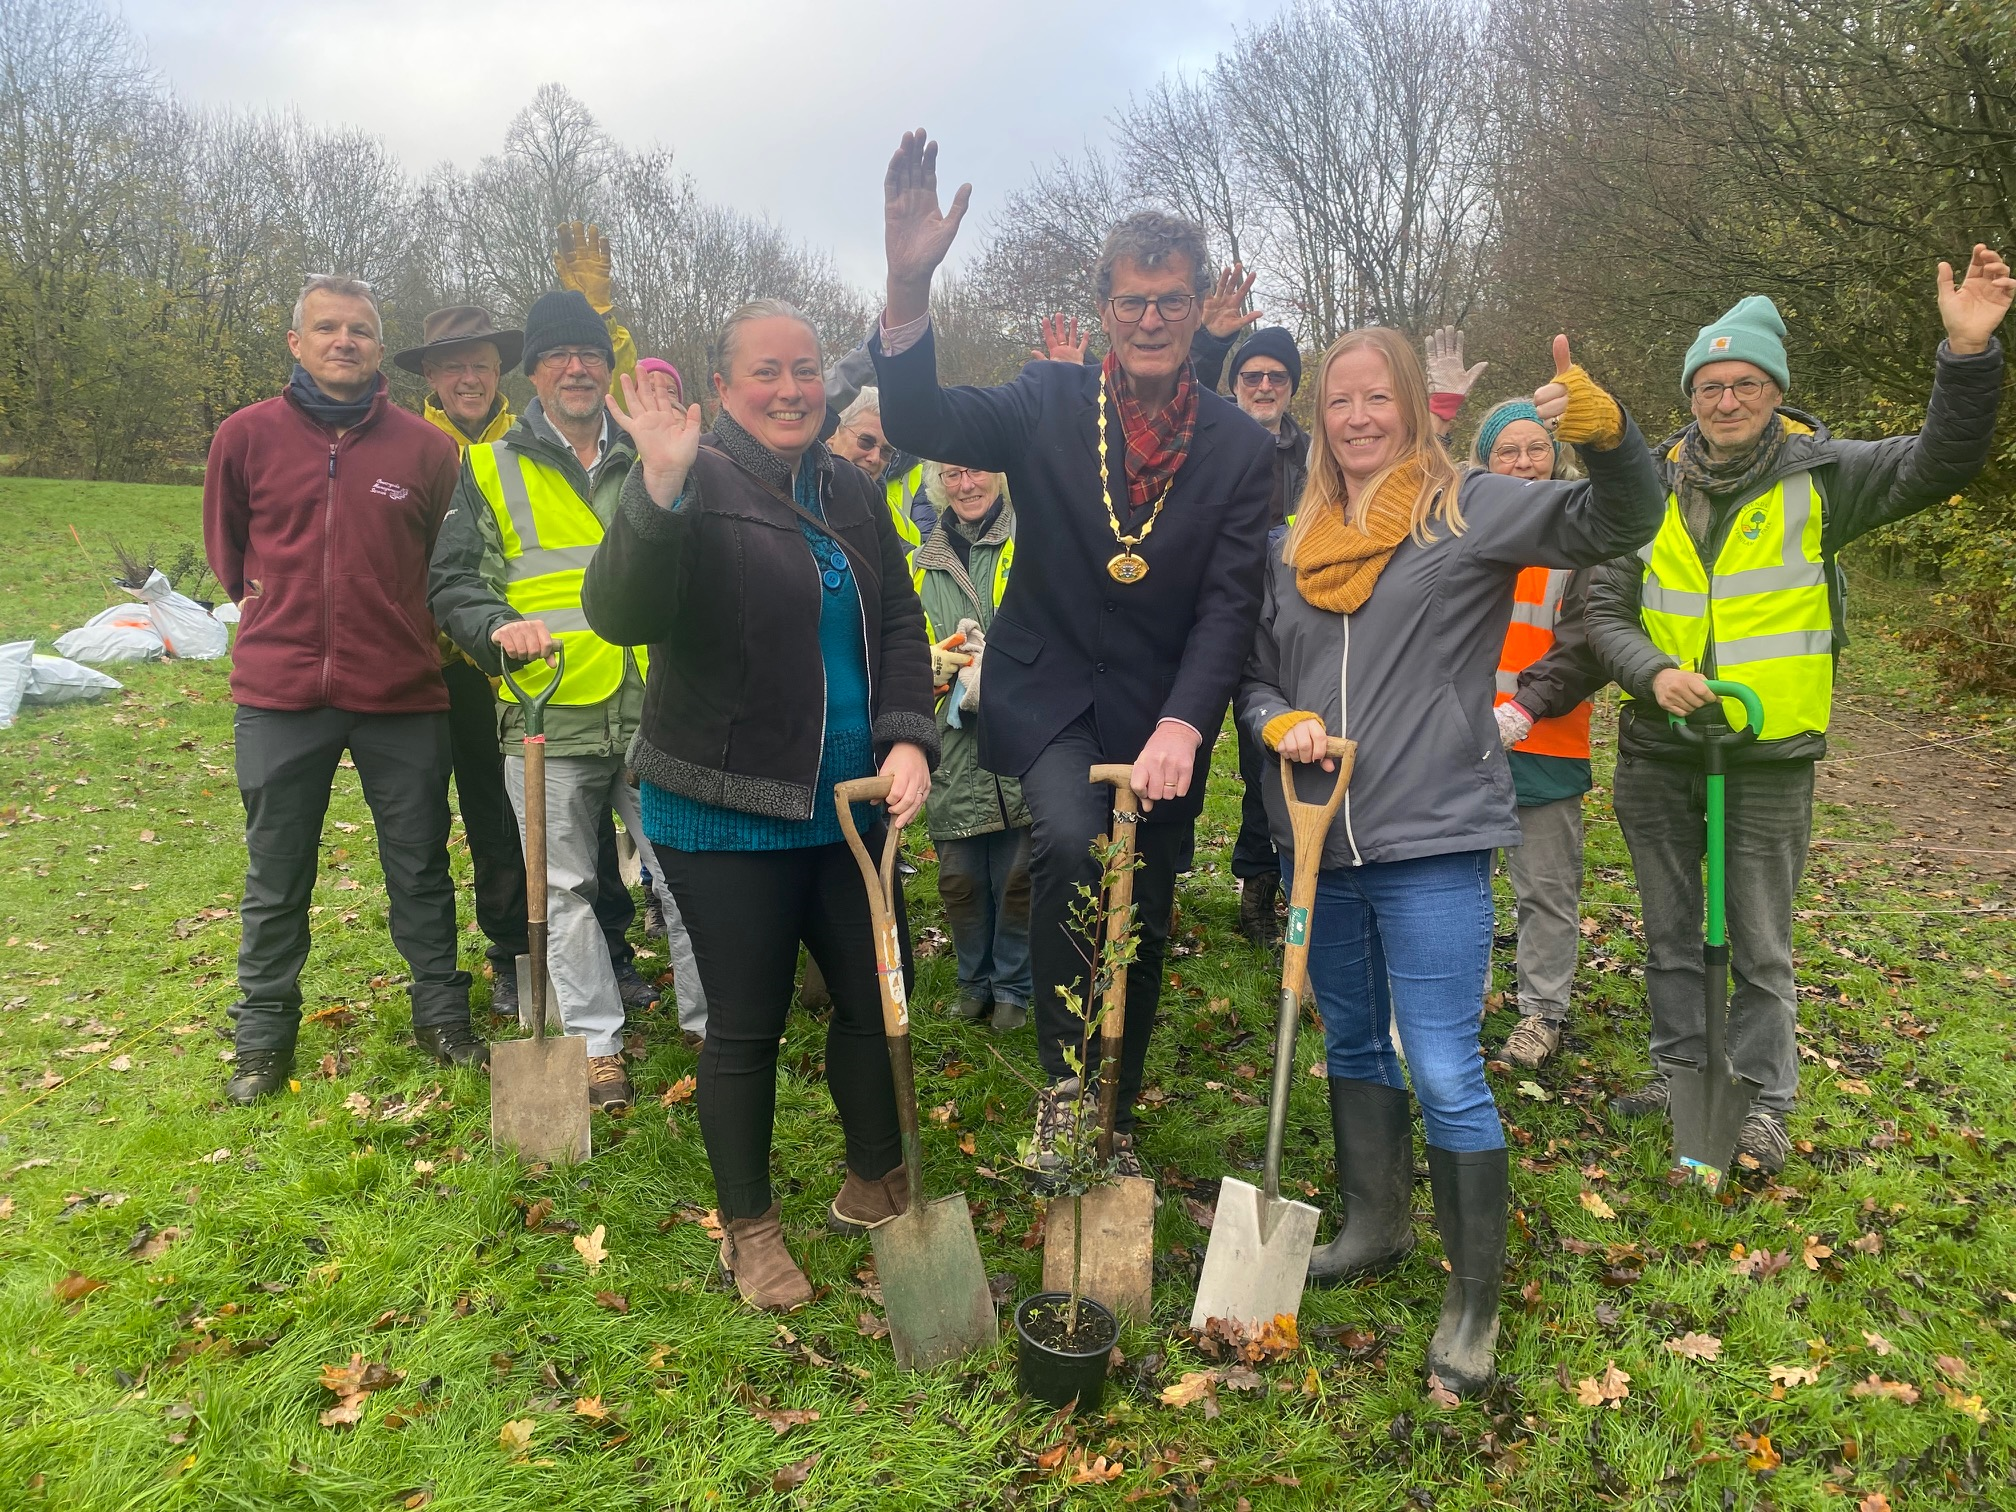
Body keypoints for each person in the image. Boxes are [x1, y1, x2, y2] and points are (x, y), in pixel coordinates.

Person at [1240, 326, 1664, 1396]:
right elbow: (1255, 675)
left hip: (1432, 831)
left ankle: (1473, 1300)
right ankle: (1373, 1223)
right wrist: (1280, 717)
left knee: (1441, 1061)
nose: (1357, 417)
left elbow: (1622, 518)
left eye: (1375, 396)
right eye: (1339, 401)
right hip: (1320, 838)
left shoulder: (1467, 504)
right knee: (1352, 1043)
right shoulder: (1296, 538)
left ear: (1410, 404)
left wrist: (1607, 436)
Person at [870, 131, 1274, 1180]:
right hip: (1047, 689)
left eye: (1172, 301)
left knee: (1143, 890)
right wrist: (909, 288)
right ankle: (1062, 1086)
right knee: (1069, 839)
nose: (1151, 319)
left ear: (1195, 312)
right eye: (1133, 300)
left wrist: (1188, 722)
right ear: (1103, 307)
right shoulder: (1049, 402)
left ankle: (1115, 1104)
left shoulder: (1235, 443)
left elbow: (1230, 605)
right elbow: (920, 415)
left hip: (1160, 702)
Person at [1588, 248, 2011, 1174]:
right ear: (1690, 394)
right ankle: (1680, 1069)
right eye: (1709, 385)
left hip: (1770, 752)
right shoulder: (1647, 484)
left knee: (1759, 940)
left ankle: (1764, 1099)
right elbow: (1602, 607)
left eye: (1745, 384)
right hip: (1660, 748)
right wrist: (1652, 672)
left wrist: (1967, 355)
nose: (1726, 400)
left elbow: (1944, 460)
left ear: (1775, 393)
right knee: (1668, 927)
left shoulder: (1828, 476)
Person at [582, 299, 937, 1311]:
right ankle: (750, 1227)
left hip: (850, 806)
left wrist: (909, 735)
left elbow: (902, 619)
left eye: (806, 370)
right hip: (725, 808)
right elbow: (620, 613)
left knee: (877, 1002)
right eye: (766, 373)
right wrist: (655, 480)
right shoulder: (691, 478)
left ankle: (875, 1181)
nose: (791, 391)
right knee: (749, 1022)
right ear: (723, 387)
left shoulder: (850, 486)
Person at [203, 275, 485, 1103]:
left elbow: (448, 564)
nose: (344, 341)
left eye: (359, 329)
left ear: (376, 344)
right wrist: (280, 616)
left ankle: (440, 1015)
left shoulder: (428, 451)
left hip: (400, 689)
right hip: (280, 691)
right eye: (326, 328)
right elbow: (228, 552)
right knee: (276, 869)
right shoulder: (245, 436)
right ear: (297, 342)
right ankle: (262, 1039)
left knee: (421, 864)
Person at [428, 287, 709, 1117]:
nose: (577, 367)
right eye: (558, 355)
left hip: (662, 709)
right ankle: (595, 1046)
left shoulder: (656, 453)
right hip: (549, 715)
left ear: (608, 364)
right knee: (562, 890)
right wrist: (495, 629)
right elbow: (452, 585)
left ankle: (710, 1029)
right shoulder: (487, 469)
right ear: (536, 373)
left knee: (688, 875)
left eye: (589, 353)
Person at [1469, 399, 1610, 1070]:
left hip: (1544, 741)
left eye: (1534, 449)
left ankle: (1541, 1012)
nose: (1523, 462)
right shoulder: (1463, 525)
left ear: (1556, 455)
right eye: (1507, 451)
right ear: (1485, 460)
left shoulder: (1579, 533)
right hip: (1459, 744)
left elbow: (1587, 636)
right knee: (1461, 879)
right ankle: (1466, 993)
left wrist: (1524, 708)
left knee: (1544, 887)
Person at [1193, 294, 1311, 944]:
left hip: (1282, 638)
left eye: (1276, 377)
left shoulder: (1317, 458)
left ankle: (1260, 890)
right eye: (1251, 376)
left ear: (1291, 387)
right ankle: (1156, 879)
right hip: (1205, 626)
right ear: (1235, 384)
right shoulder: (1205, 443)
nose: (1264, 386)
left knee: (1268, 763)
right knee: (1182, 755)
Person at [912, 460, 1030, 1033]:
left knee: (1018, 873)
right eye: (952, 475)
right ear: (938, 485)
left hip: (1019, 732)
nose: (967, 485)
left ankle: (1014, 984)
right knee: (958, 876)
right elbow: (898, 648)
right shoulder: (919, 566)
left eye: (977, 471)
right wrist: (927, 666)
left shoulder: (1029, 544)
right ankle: (972, 980)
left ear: (999, 476)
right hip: (950, 743)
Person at [829, 389, 895, 479]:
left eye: (886, 451)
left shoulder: (878, 491)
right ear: (833, 432)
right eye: (866, 442)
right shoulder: (806, 484)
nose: (875, 458)